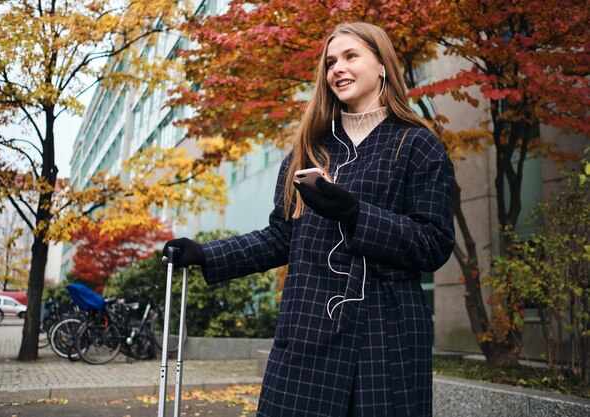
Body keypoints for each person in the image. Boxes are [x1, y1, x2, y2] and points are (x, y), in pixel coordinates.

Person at [163, 22, 455, 417]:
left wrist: (354, 214)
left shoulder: (417, 144)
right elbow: (280, 237)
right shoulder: (309, 150)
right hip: (307, 331)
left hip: (386, 339)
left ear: (382, 65)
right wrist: (206, 254)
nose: (337, 68)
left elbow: (433, 243)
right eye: (331, 61)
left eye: (351, 56)